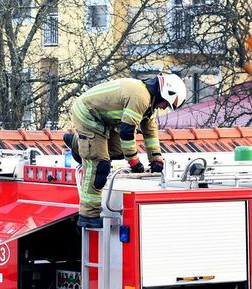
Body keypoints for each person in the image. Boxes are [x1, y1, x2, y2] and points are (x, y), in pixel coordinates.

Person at [65, 74, 188, 228]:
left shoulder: (149, 104)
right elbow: (127, 132)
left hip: (103, 121)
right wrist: (134, 162)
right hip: (88, 114)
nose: (164, 107)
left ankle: (78, 143)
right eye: (166, 104)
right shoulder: (140, 97)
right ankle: (88, 215)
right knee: (100, 165)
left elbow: (150, 133)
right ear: (164, 93)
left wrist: (156, 158)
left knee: (119, 151)